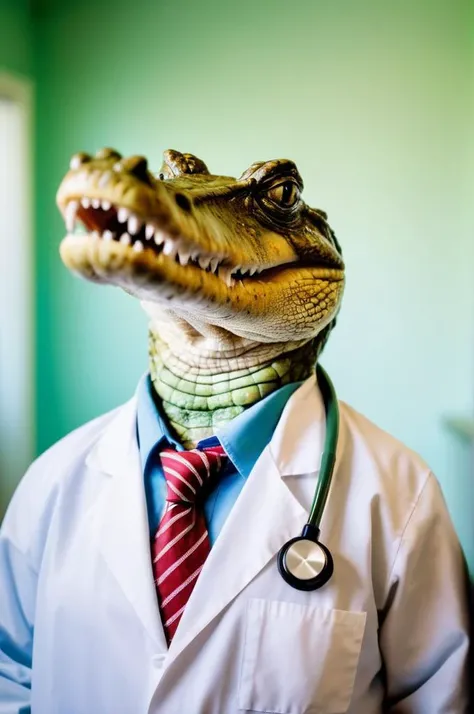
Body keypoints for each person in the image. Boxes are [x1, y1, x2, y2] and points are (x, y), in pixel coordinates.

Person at [0, 148, 470, 713]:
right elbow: (10, 678)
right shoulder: (52, 479)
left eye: (280, 197)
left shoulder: (399, 494)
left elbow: (441, 700)